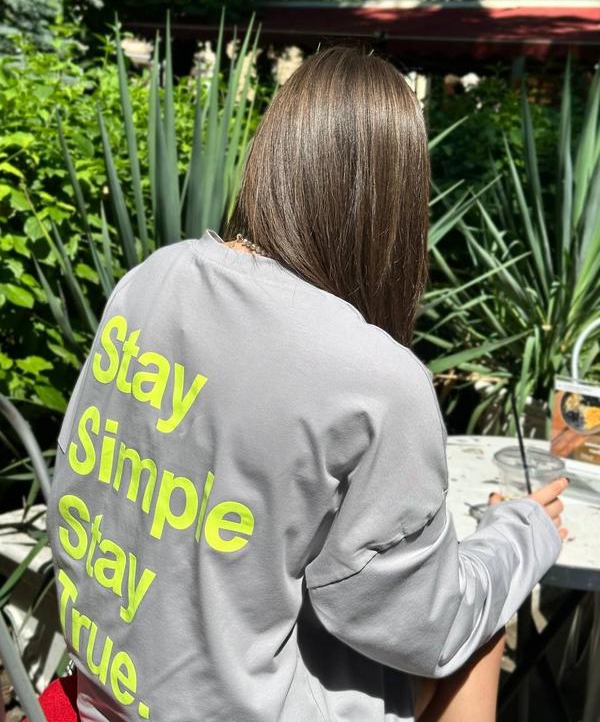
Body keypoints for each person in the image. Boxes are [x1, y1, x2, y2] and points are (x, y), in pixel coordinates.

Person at [46, 45, 567, 722]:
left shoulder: (153, 279)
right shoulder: (374, 377)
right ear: (395, 204)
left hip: (107, 689)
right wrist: (523, 530)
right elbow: (425, 626)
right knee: (480, 629)